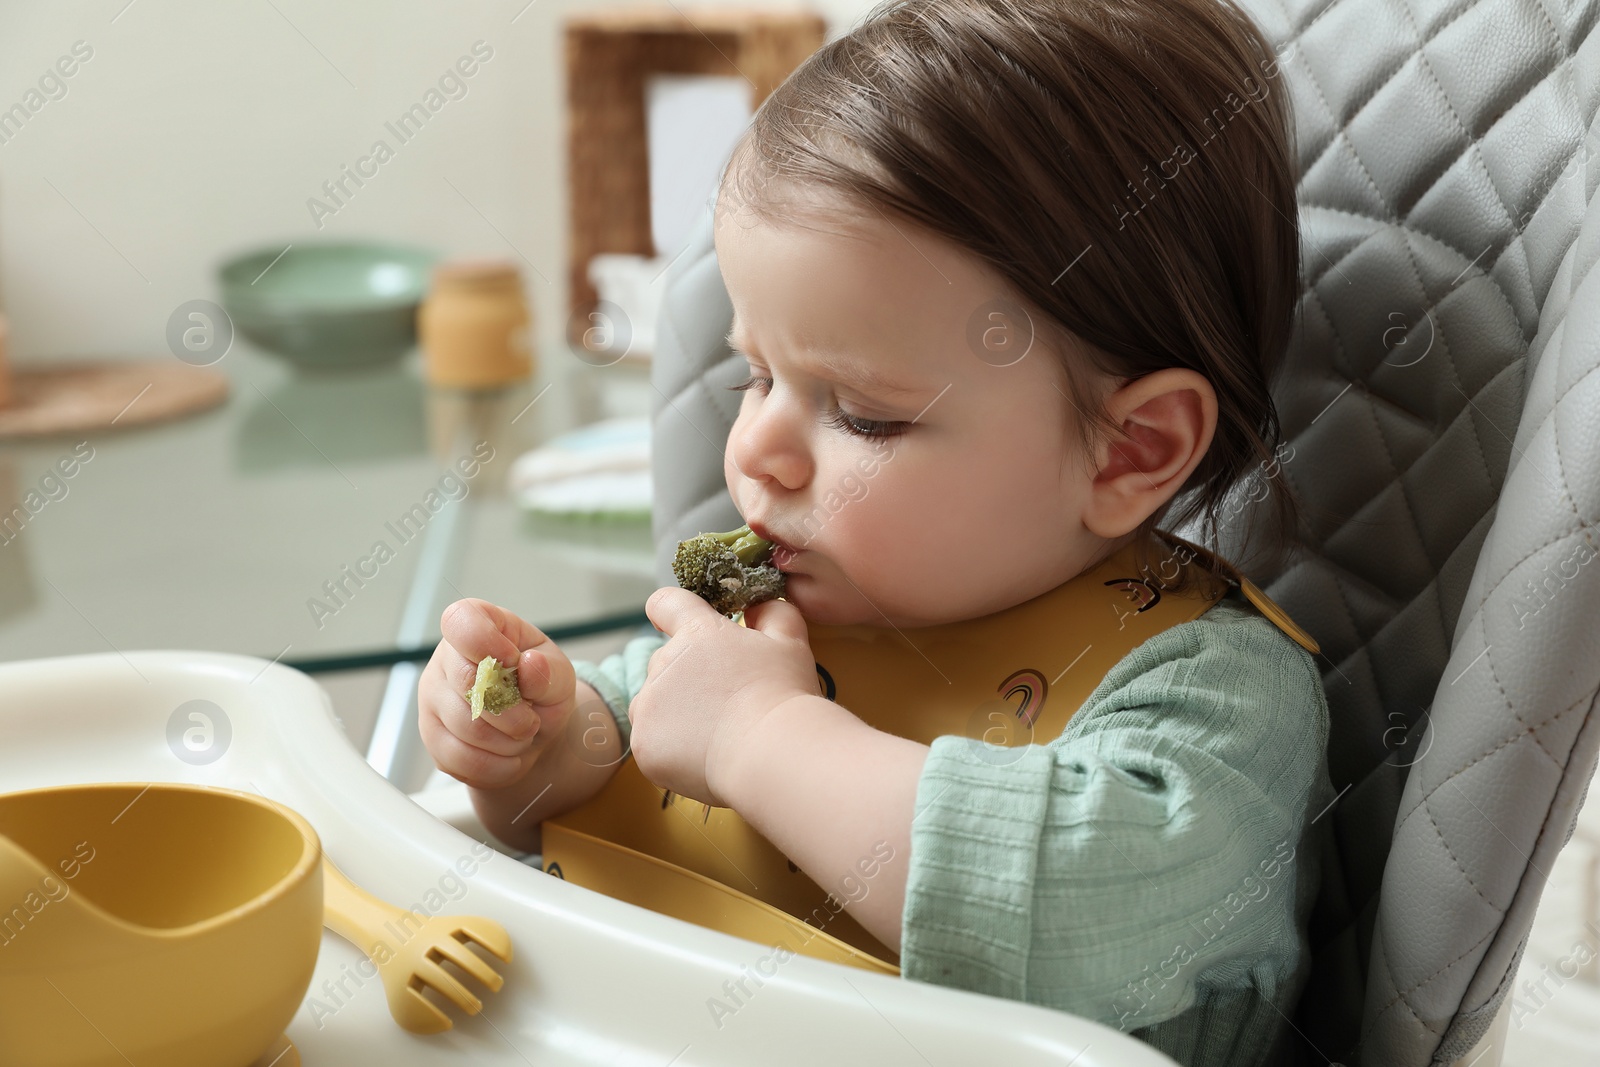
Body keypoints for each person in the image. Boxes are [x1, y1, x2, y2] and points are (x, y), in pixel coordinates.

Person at [418, 1, 1332, 1063]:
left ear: (1128, 450)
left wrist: (762, 738)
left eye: (865, 413)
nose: (756, 447)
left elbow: (1058, 917)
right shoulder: (778, 598)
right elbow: (613, 753)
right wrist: (532, 740)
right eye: (755, 373)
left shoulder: (1211, 688)